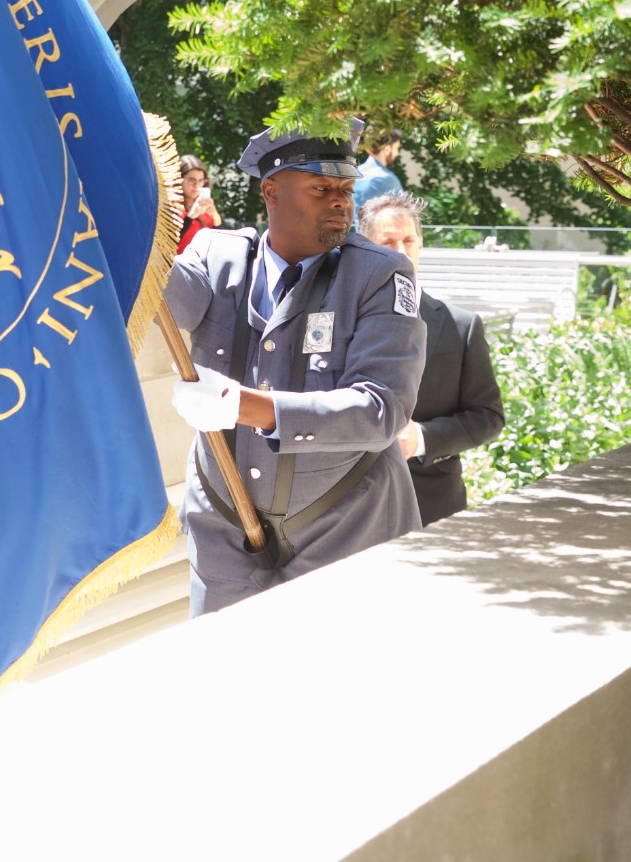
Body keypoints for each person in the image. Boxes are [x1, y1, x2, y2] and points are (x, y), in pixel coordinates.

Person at [166, 126, 428, 614]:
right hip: (225, 535)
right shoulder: (217, 256)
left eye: (345, 189)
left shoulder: (379, 275)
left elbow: (381, 410)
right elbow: (156, 292)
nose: (340, 202)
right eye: (320, 188)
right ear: (271, 190)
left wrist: (241, 405)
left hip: (346, 531)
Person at [356, 193, 504, 523]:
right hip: (350, 510)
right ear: (365, 249)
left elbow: (488, 416)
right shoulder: (339, 323)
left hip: (432, 507)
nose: (400, 251)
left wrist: (422, 438)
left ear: (421, 245)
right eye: (387, 242)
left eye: (409, 240)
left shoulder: (461, 327)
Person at [176, 154, 221, 253]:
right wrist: (190, 217)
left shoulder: (203, 205)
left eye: (201, 181)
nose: (197, 186)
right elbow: (169, 240)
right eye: (192, 180)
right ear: (179, 179)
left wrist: (216, 217)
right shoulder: (173, 205)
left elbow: (217, 241)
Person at [352, 128, 406, 209]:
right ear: (387, 149)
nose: (397, 153)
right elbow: (403, 212)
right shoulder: (388, 179)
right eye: (397, 148)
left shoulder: (353, 173)